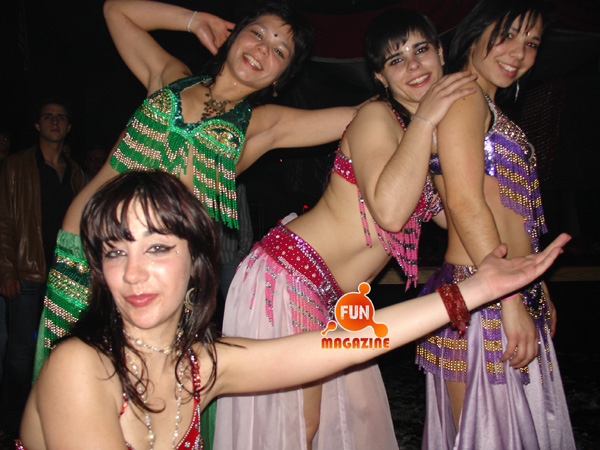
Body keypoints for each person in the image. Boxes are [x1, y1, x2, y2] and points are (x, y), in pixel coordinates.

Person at [17, 171, 569, 450]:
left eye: (157, 248)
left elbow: (346, 342)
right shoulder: (82, 367)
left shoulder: (200, 365)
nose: (133, 274)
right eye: (116, 252)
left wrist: (473, 291)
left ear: (196, 262)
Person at [214, 9, 477, 450]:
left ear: (441, 54)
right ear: (379, 76)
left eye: (421, 50)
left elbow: (459, 218)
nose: (413, 66)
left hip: (339, 301)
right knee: (300, 426)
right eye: (395, 60)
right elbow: (390, 213)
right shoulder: (377, 118)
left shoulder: (423, 139)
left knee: (355, 420)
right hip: (290, 277)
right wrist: (427, 120)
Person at [414, 1, 575, 448]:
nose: (519, 53)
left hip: (503, 288)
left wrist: (536, 287)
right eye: (508, 35)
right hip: (484, 293)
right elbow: (465, 202)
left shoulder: (481, 103)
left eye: (532, 42)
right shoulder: (466, 97)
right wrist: (509, 299)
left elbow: (503, 211)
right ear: (476, 31)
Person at [0, 98, 85, 438]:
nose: (54, 121)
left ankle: (52, 423)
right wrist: (7, 270)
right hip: (27, 271)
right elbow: (4, 220)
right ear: (37, 125)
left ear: (68, 127)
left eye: (61, 117)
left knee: (61, 351)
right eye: (48, 117)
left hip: (64, 274)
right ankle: (13, 427)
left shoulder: (76, 172)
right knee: (20, 354)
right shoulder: (16, 165)